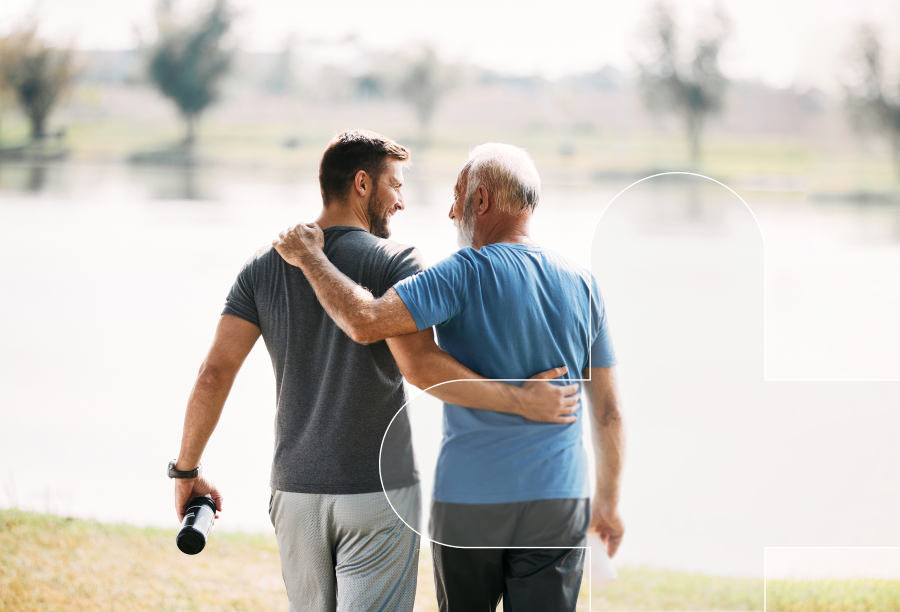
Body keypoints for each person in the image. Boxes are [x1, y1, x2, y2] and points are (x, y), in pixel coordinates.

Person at [168, 131, 580, 612]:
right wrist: (519, 398)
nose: (402, 201)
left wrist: (186, 471)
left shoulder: (264, 265)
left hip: (294, 490)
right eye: (395, 186)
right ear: (362, 184)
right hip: (378, 490)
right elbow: (421, 366)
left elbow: (213, 374)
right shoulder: (397, 261)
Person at [273, 142, 625, 612]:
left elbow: (364, 322)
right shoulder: (584, 285)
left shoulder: (459, 274)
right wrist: (608, 503)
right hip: (558, 500)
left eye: (457, 196)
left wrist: (311, 258)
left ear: (481, 199)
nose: (450, 211)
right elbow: (608, 411)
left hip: (469, 501)